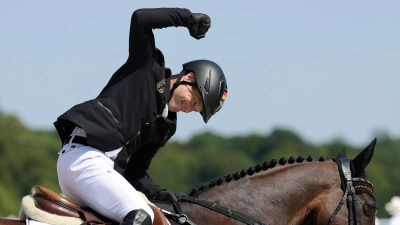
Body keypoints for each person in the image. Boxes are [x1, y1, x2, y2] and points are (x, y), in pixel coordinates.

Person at [54, 7, 228, 225]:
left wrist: (161, 193)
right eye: (194, 101)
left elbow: (135, 172)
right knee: (140, 218)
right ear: (189, 77)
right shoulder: (147, 66)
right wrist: (187, 19)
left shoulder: (165, 127)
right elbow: (141, 19)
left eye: (195, 109)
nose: (189, 109)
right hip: (85, 158)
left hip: (102, 171)